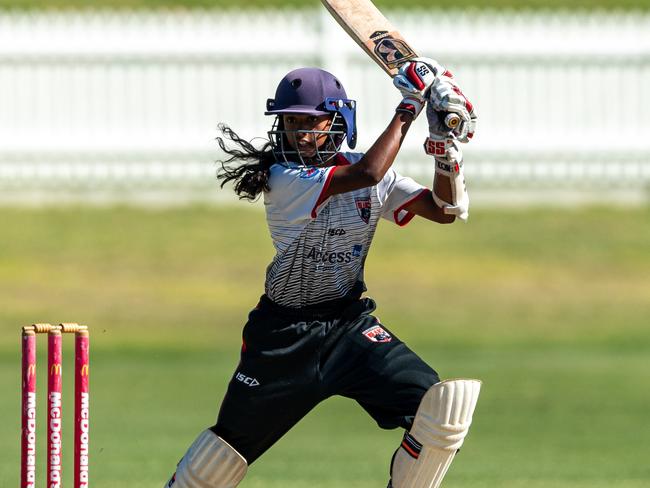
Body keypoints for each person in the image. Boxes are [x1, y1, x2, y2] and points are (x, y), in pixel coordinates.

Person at [165, 58, 481, 488]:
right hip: (282, 337)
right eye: (291, 123)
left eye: (309, 122)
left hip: (349, 329)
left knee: (441, 407)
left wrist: (445, 149)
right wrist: (410, 104)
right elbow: (367, 171)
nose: (298, 133)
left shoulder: (372, 176)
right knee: (223, 455)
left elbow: (443, 211)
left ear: (338, 120)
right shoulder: (284, 177)